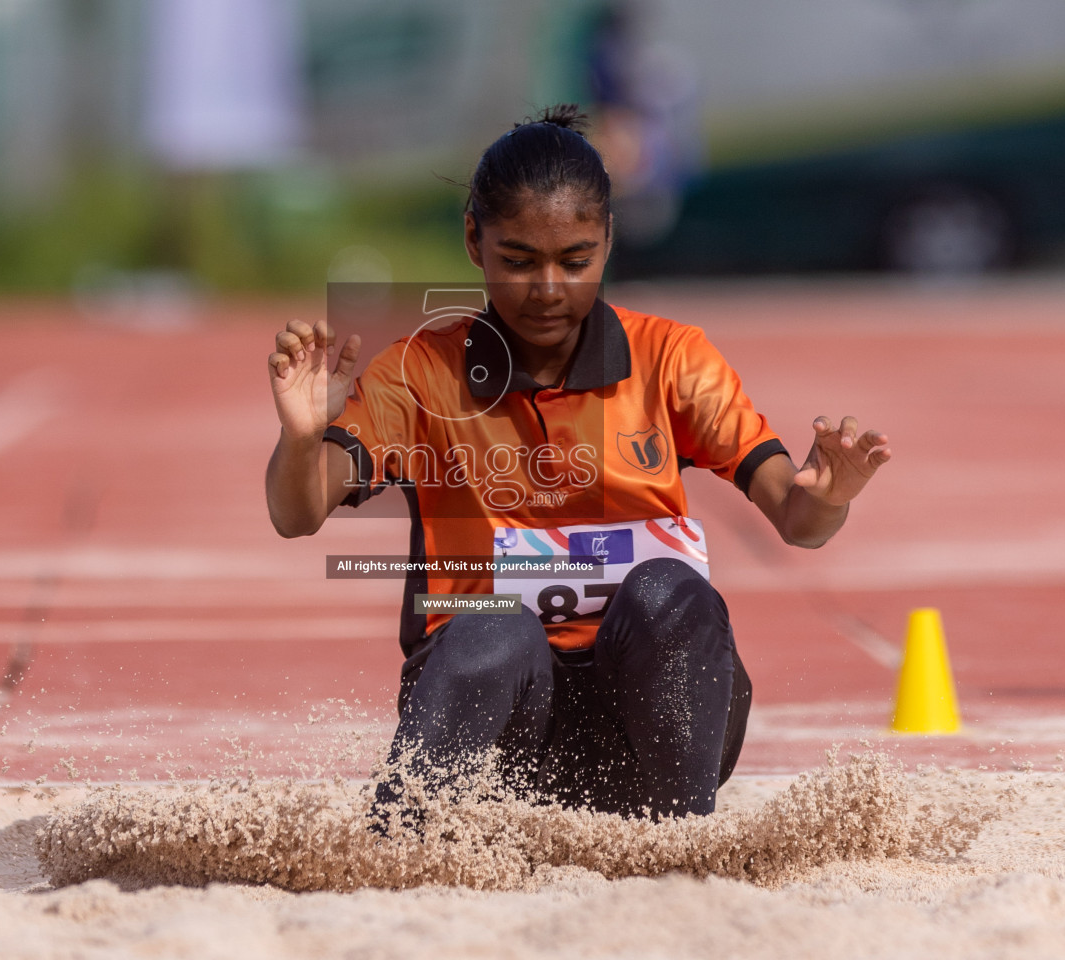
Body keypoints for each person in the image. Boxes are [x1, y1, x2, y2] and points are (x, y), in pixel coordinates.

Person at [264, 105, 891, 822]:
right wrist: (300, 439)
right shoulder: (418, 373)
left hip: (651, 730)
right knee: (491, 623)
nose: (548, 290)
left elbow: (798, 519)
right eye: (519, 261)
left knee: (671, 590)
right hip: (494, 733)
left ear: (609, 242)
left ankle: (682, 844)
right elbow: (296, 513)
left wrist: (829, 495)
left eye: (575, 260)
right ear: (474, 241)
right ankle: (401, 840)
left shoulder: (671, 359)